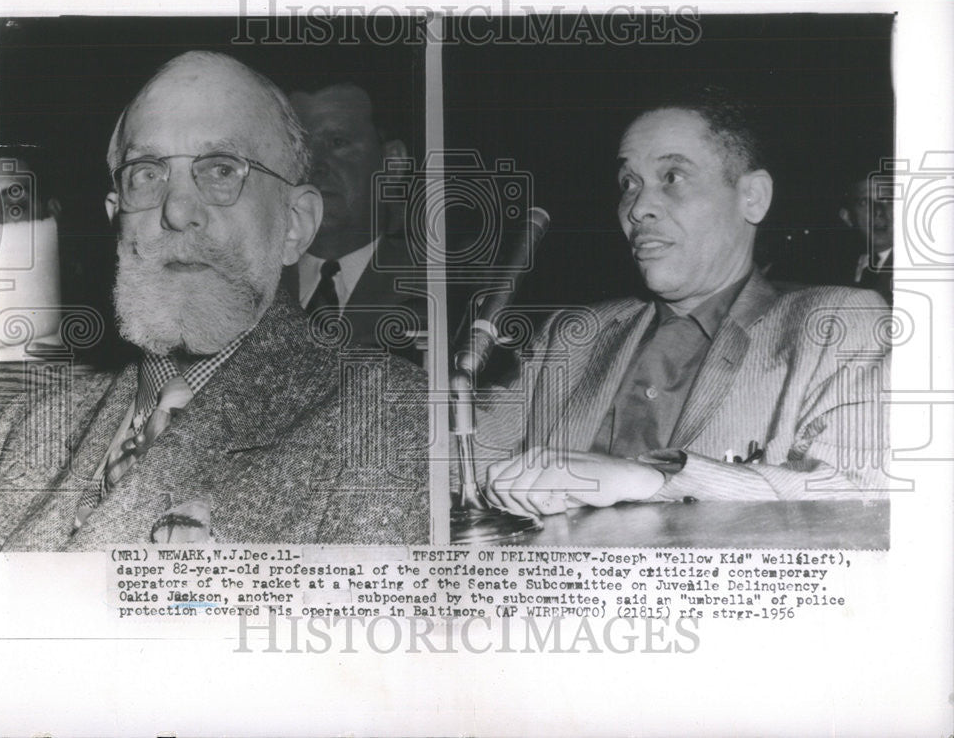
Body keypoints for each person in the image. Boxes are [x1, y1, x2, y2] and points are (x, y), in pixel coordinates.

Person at [0, 52, 428, 549]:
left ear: (295, 222)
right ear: (117, 218)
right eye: (147, 173)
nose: (178, 211)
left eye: (223, 169)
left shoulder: (388, 422)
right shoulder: (24, 427)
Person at [479, 89, 890, 518]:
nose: (637, 208)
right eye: (628, 183)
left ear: (752, 197)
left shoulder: (838, 324)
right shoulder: (571, 335)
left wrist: (653, 480)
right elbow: (454, 453)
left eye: (672, 177)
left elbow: (866, 494)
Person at [287, 82, 427, 360]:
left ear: (391, 163)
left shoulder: (439, 289)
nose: (315, 165)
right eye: (300, 149)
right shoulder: (246, 291)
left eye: (337, 143)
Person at [838, 171, 894, 304]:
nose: (878, 211)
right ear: (847, 217)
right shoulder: (839, 266)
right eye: (865, 202)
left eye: (887, 200)